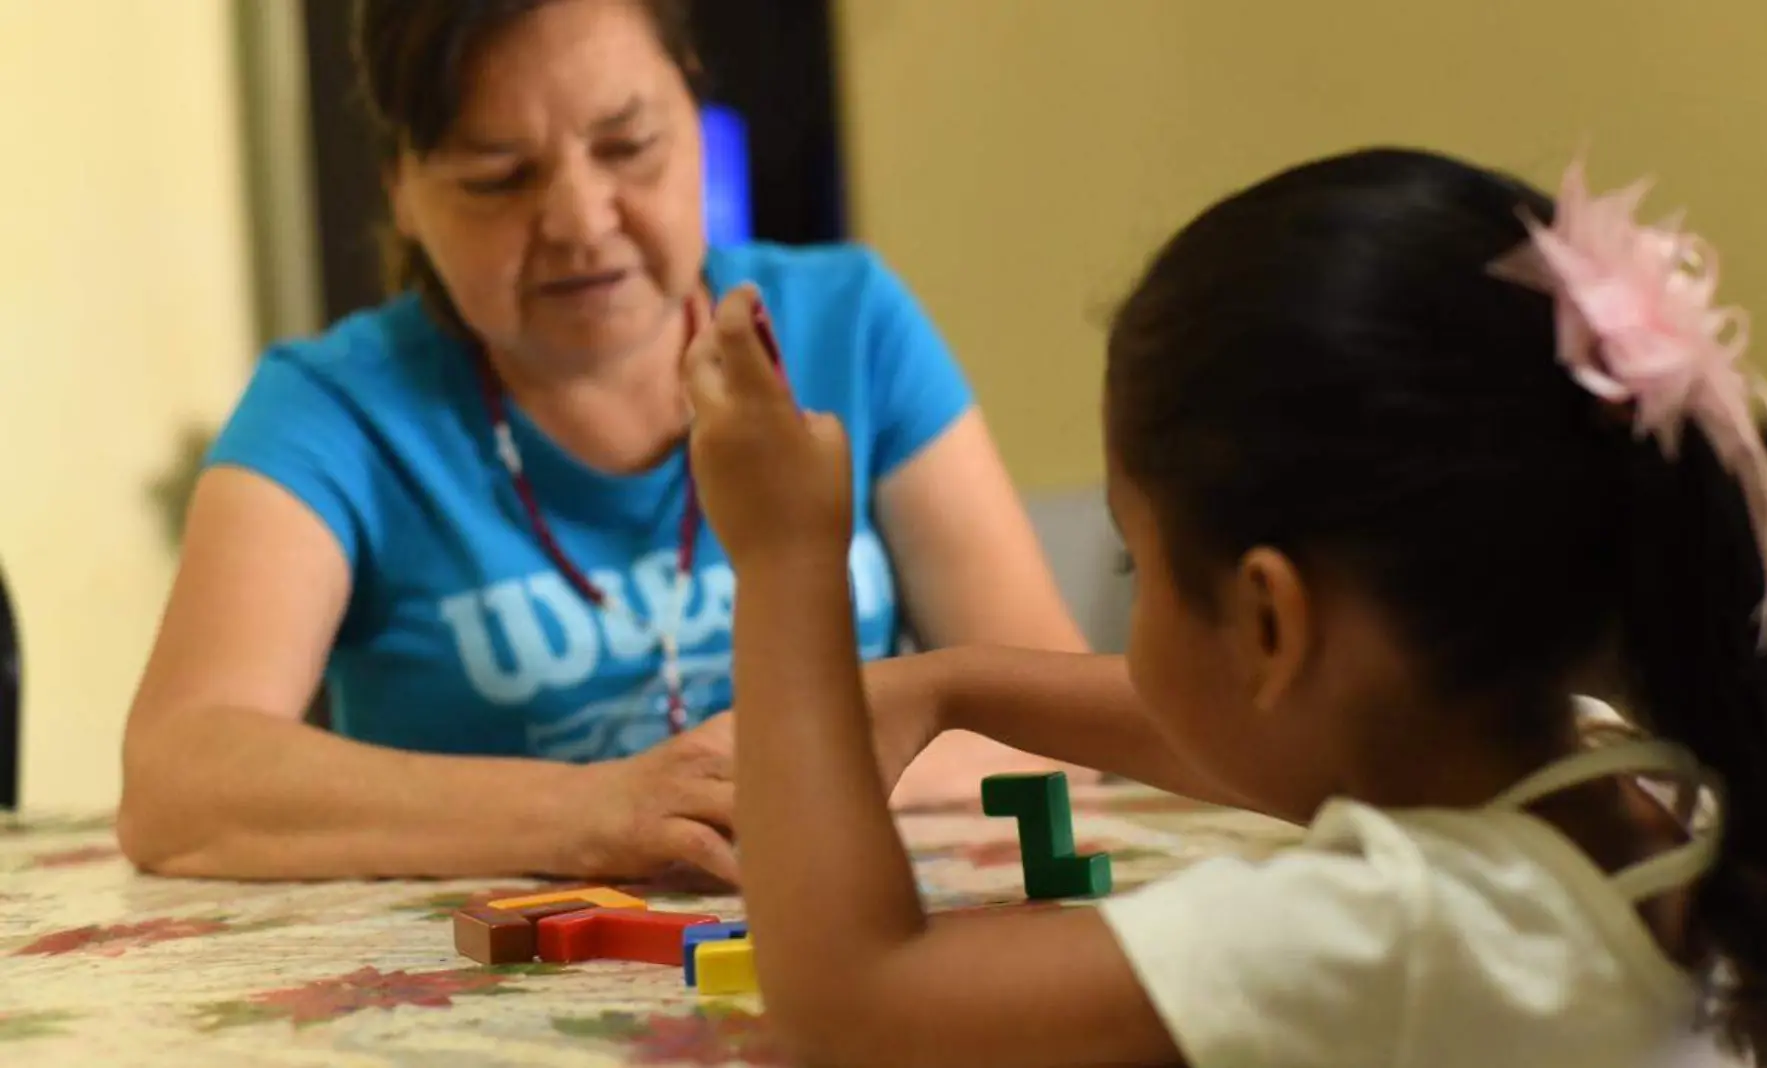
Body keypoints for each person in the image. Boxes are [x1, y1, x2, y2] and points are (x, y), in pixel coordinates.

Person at [683, 147, 1767, 1067]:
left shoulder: (1405, 931)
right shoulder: (1616, 789)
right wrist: (953, 687)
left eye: (1135, 563)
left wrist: (789, 555)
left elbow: (854, 1006)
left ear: (1268, 621)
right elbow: (1250, 733)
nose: (1134, 597)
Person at [115, 0, 1092, 884]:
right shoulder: (330, 408)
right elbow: (181, 780)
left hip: (842, 941)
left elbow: (1057, 715)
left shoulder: (848, 325)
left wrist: (789, 780)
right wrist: (598, 810)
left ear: (695, 115)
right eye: (499, 178)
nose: (581, 222)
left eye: (629, 147)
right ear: (403, 190)